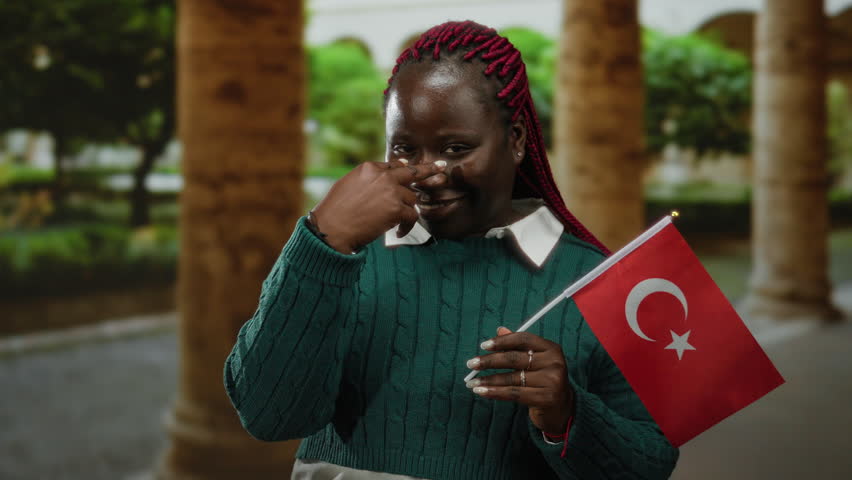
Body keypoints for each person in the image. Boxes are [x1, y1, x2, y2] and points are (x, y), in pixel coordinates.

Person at [224, 20, 678, 480]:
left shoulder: (596, 281)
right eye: (404, 148)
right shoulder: (341, 258)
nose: (429, 173)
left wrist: (568, 416)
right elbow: (269, 417)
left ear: (517, 140)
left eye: (456, 148)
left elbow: (649, 466)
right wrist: (321, 241)